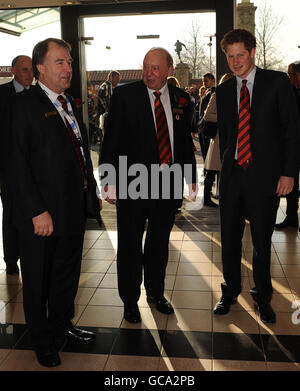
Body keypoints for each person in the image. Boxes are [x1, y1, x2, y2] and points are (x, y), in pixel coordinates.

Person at [9, 38, 102, 368]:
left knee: (66, 274)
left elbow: (76, 150)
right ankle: (42, 340)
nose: (68, 68)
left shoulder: (67, 103)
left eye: (70, 62)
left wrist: (89, 190)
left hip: (71, 210)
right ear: (40, 67)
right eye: (60, 62)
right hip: (40, 217)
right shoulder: (22, 107)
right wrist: (36, 210)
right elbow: (14, 165)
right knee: (37, 281)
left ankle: (62, 325)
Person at [99, 47, 197, 324]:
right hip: (133, 184)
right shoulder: (124, 96)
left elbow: (183, 142)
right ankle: (130, 300)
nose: (148, 73)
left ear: (169, 70)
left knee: (158, 243)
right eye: (145, 67)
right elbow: (111, 140)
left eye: (155, 68)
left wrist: (190, 176)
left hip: (166, 185)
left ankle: (156, 293)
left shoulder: (181, 98)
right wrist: (108, 180)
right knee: (130, 244)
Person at [213, 29, 299, 324]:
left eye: (240, 55)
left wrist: (288, 173)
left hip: (265, 179)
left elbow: (292, 132)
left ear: (252, 52)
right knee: (229, 239)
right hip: (233, 177)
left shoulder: (276, 83)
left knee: (262, 243)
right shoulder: (223, 91)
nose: (235, 62)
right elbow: (226, 137)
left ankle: (263, 297)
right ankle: (230, 290)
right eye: (230, 56)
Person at [0, 55, 34, 275]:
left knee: (33, 211)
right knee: (11, 212)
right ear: (13, 70)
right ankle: (11, 258)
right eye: (24, 70)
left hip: (35, 168)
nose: (29, 74)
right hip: (8, 167)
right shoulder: (2, 95)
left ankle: (32, 254)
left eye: (32, 70)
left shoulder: (39, 95)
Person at [274, 62, 300, 230]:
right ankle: (291, 217)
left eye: (292, 74)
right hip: (294, 145)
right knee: (292, 181)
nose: (289, 77)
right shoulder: (291, 92)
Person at [202, 73, 233, 207]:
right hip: (219, 136)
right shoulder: (217, 94)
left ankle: (226, 196)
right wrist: (225, 118)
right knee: (213, 169)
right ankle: (206, 197)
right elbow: (207, 115)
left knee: (227, 169)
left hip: (232, 136)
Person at [97, 70, 120, 142]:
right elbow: (106, 104)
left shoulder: (108, 86)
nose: (118, 81)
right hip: (105, 118)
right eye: (117, 79)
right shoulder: (106, 87)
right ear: (111, 77)